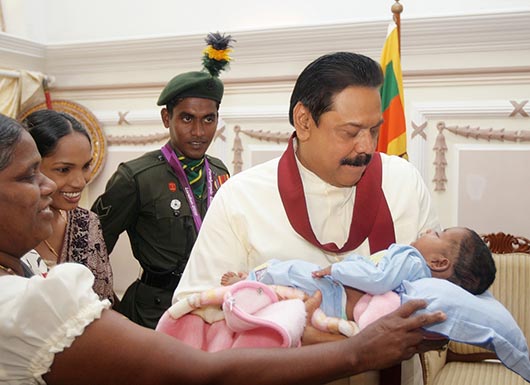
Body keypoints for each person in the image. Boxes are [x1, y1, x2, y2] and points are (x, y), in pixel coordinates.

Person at [0, 112, 449, 385]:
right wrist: (360, 352)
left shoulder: (27, 269)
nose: (50, 187)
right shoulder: (26, 304)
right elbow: (201, 373)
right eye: (28, 176)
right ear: (305, 122)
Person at [174, 51, 441, 385]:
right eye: (350, 131)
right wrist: (319, 336)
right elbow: (196, 311)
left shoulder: (403, 181)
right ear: (303, 121)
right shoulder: (241, 197)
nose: (367, 147)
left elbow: (440, 295)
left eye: (374, 130)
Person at [91, 33, 232, 328]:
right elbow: (93, 247)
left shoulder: (220, 173)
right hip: (154, 310)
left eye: (209, 119)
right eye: (187, 118)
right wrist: (106, 309)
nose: (199, 131)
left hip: (210, 307)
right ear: (166, 118)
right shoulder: (136, 177)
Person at [221, 227, 496, 334]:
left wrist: (335, 271)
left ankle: (251, 280)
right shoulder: (420, 277)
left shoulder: (411, 258)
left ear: (439, 262)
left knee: (294, 271)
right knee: (290, 292)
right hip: (341, 300)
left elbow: (378, 279)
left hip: (337, 288)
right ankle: (256, 290)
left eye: (439, 234)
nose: (430, 230)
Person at [19, 109, 115, 305]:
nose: (80, 182)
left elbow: (103, 301)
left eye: (86, 166)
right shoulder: (8, 230)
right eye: (64, 170)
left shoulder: (87, 223)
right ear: (29, 167)